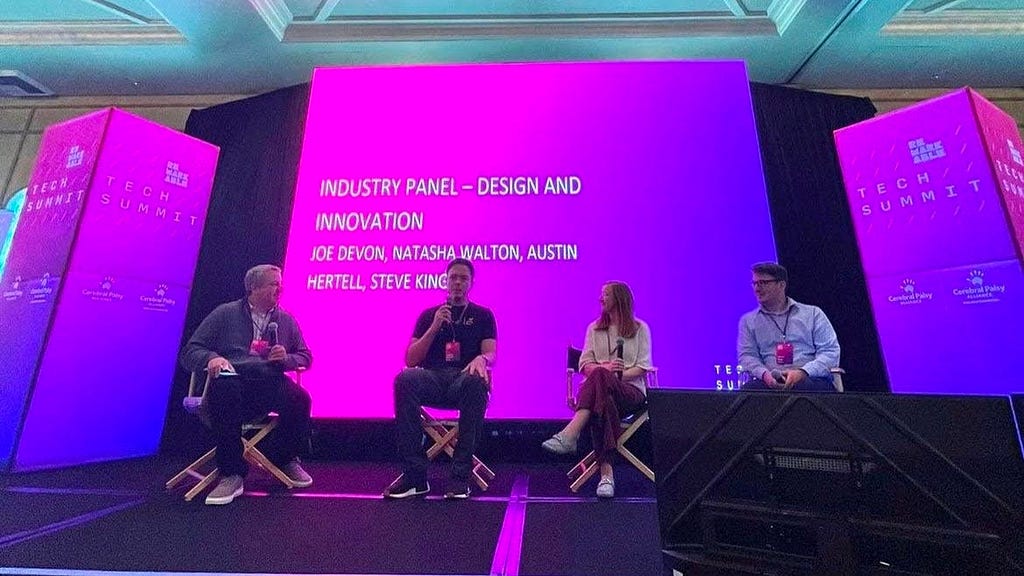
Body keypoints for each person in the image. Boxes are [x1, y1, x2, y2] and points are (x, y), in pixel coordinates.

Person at [181, 264, 313, 505]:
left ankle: (284, 459)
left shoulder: (285, 320)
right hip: (232, 380)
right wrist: (212, 358)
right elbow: (190, 351)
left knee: (300, 399)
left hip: (267, 380)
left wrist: (287, 359)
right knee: (225, 388)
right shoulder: (224, 314)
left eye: (280, 283)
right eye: (274, 283)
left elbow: (305, 357)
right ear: (254, 288)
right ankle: (231, 474)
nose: (280, 288)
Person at [384, 258, 497, 500]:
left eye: (463, 278)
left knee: (476, 382)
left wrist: (482, 360)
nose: (457, 282)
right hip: (433, 378)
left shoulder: (483, 315)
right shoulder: (429, 315)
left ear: (471, 283)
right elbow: (411, 359)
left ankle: (459, 477)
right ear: (445, 281)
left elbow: (491, 352)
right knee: (404, 379)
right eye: (453, 277)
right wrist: (435, 326)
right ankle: (415, 476)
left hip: (464, 379)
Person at [541, 281, 653, 498]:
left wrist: (611, 374)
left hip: (631, 393)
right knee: (603, 402)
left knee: (601, 376)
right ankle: (606, 476)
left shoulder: (640, 329)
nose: (600, 299)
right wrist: (605, 370)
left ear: (619, 298)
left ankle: (572, 432)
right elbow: (584, 364)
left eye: (606, 295)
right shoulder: (594, 328)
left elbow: (642, 367)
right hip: (603, 396)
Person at [738, 262, 840, 392]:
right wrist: (764, 375)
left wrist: (803, 372)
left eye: (763, 283)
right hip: (769, 381)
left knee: (806, 388)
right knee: (749, 392)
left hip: (809, 379)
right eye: (755, 283)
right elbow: (747, 356)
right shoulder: (748, 321)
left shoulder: (813, 314)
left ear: (781, 285)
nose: (757, 289)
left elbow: (830, 352)